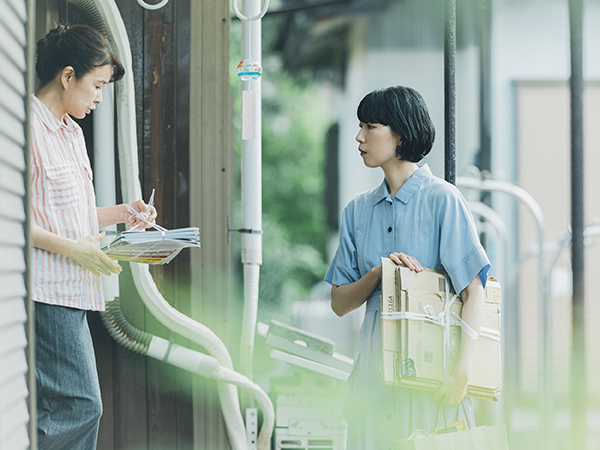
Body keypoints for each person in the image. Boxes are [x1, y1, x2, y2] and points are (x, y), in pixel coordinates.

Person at [324, 86, 491, 450]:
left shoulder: (443, 199)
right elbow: (339, 304)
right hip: (372, 382)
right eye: (359, 126)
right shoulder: (357, 211)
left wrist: (462, 370)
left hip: (432, 378)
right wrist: (377, 274)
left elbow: (474, 290)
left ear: (399, 133)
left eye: (370, 127)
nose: (359, 137)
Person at [30, 24, 157, 449]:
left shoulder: (69, 132)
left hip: (72, 291)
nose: (100, 97)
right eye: (97, 85)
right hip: (45, 291)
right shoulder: (25, 128)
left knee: (77, 407)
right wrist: (77, 251)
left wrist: (123, 213)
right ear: (68, 76)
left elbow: (71, 215)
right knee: (80, 406)